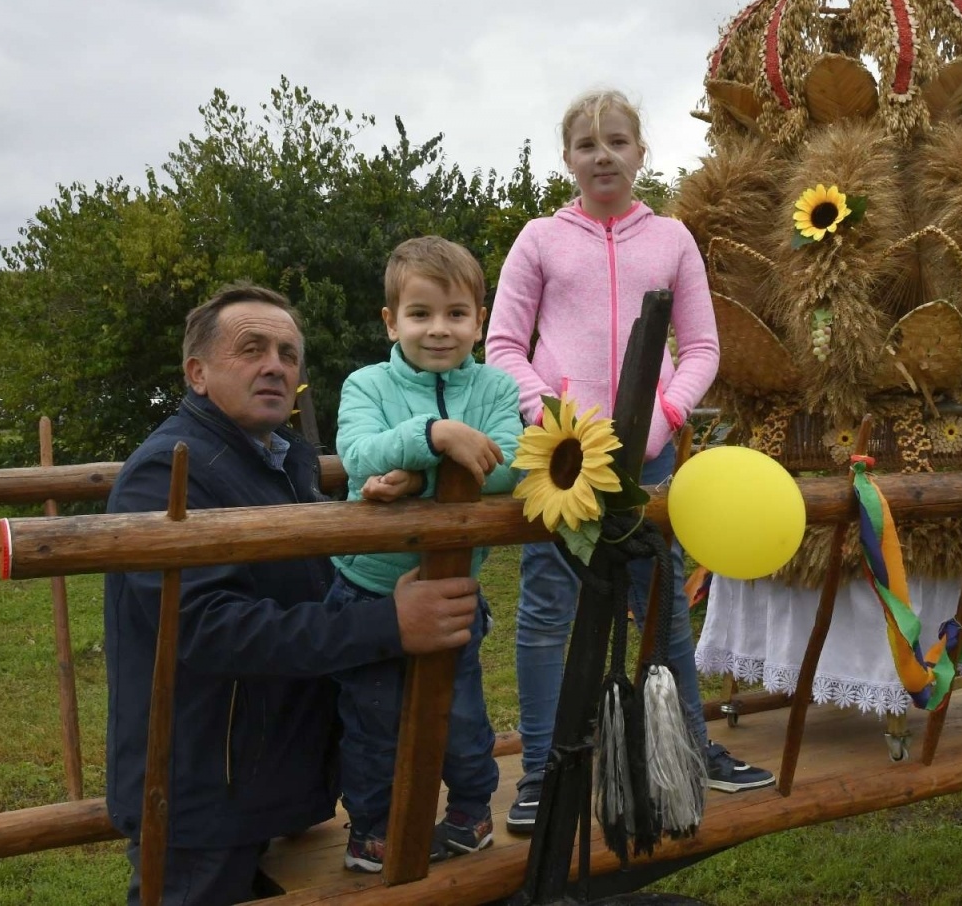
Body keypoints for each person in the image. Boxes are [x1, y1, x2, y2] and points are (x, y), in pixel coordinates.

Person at [105, 283, 481, 906]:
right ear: (197, 373)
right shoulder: (167, 472)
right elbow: (209, 628)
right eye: (250, 349)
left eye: (287, 353)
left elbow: (308, 577)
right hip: (202, 792)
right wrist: (389, 623)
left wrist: (377, 510)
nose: (274, 365)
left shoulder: (280, 459)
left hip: (258, 782)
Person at [486, 88, 775, 834]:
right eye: (587, 145)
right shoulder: (539, 239)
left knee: (660, 604)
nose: (603, 155)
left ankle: (692, 746)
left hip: (645, 462)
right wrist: (547, 416)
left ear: (641, 153)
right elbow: (504, 347)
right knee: (549, 610)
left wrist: (663, 419)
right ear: (568, 160)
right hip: (563, 458)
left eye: (617, 141)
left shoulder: (672, 239)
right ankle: (544, 770)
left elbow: (702, 348)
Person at [327, 236, 522, 873]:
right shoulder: (365, 385)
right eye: (420, 314)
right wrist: (435, 435)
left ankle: (470, 812)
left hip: (453, 589)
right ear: (391, 321)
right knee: (374, 721)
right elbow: (360, 457)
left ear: (480, 319)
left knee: (461, 715)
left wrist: (422, 475)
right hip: (368, 591)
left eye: (456, 313)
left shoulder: (494, 388)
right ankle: (375, 829)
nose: (439, 329)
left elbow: (512, 464)